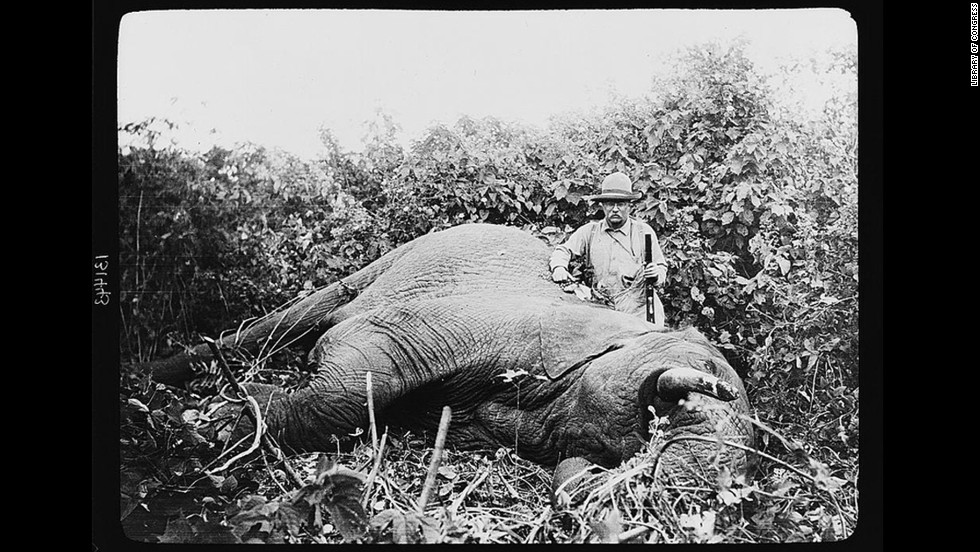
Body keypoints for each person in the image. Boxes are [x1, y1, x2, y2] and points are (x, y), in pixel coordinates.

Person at [549, 172, 667, 323]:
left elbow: (661, 268)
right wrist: (559, 267)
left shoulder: (643, 232)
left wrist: (656, 274)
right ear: (603, 206)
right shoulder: (590, 231)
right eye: (610, 203)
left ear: (629, 206)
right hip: (603, 309)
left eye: (621, 204)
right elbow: (563, 250)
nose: (615, 209)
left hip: (639, 308)